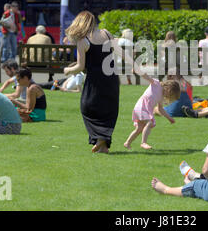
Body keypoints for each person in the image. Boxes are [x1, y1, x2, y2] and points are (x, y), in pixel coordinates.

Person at [63, 11, 120, 154]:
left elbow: (80, 66)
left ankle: (100, 138)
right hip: (112, 78)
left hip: (95, 81)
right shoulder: (106, 33)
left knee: (87, 108)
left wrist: (67, 71)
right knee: (108, 109)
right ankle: (103, 146)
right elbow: (115, 52)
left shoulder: (83, 41)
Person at [124, 76, 179, 150]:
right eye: (169, 94)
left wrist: (169, 118)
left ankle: (127, 143)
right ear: (168, 88)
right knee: (149, 123)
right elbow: (146, 76)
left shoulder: (161, 97)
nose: (167, 96)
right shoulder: (156, 83)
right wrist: (138, 71)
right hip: (141, 107)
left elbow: (160, 109)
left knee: (139, 129)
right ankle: (143, 143)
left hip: (144, 109)